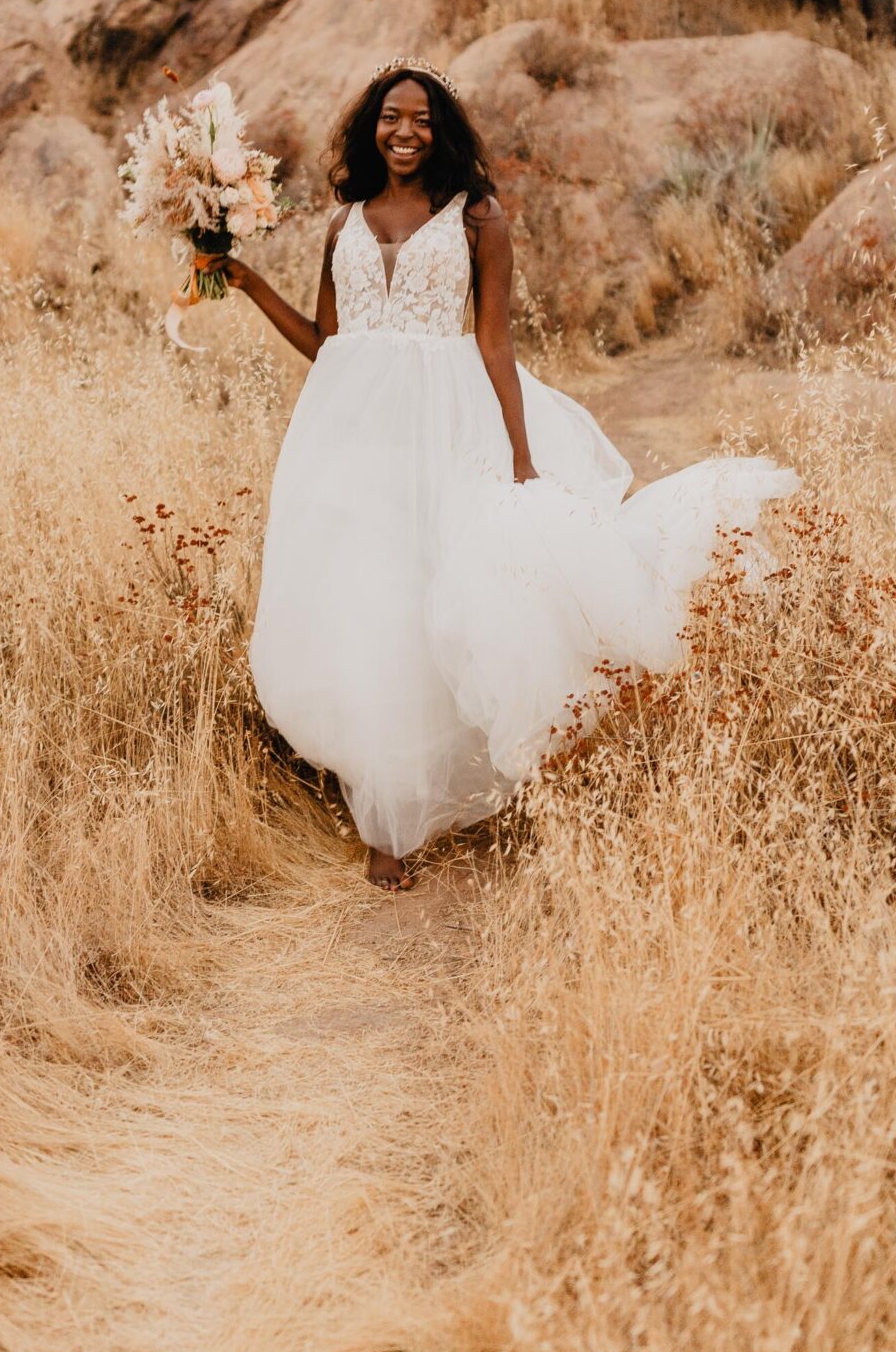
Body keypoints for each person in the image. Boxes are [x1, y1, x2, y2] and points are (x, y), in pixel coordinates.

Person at [203, 57, 796, 890]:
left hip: (449, 424)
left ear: (440, 129)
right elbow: (329, 345)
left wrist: (520, 454)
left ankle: (431, 802)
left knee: (439, 596)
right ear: (368, 128)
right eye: (388, 118)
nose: (403, 132)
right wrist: (247, 281)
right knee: (368, 602)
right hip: (352, 436)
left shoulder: (477, 217)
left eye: (419, 118)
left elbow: (494, 342)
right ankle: (387, 821)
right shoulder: (344, 222)